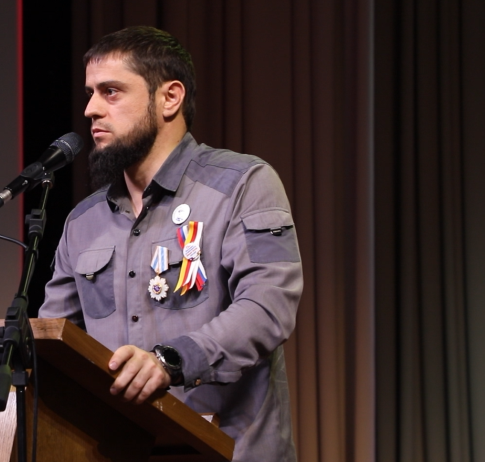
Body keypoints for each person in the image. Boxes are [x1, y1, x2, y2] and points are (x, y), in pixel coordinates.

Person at [38, 26, 302, 462]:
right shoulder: (82, 223)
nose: (90, 109)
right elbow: (54, 345)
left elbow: (268, 307)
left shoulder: (244, 184)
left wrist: (171, 361)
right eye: (90, 94)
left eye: (110, 92)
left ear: (170, 98)